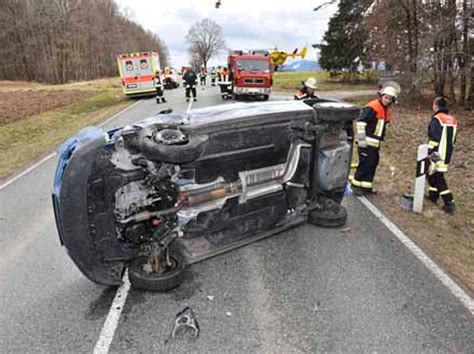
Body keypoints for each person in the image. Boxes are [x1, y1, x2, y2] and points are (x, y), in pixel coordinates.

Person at [351, 85, 398, 196]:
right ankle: (355, 185)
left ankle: (366, 186)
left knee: (372, 164)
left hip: (374, 144)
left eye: (390, 99)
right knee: (364, 164)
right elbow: (361, 123)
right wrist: (362, 141)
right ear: (381, 96)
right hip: (366, 142)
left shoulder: (386, 111)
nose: (387, 100)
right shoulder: (373, 107)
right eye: (386, 97)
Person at [426, 97, 458, 214]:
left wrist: (428, 152)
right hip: (447, 153)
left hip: (437, 153)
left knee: (437, 177)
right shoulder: (452, 120)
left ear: (435, 106)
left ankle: (449, 202)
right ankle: (433, 196)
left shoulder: (437, 119)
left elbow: (434, 137)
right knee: (432, 173)